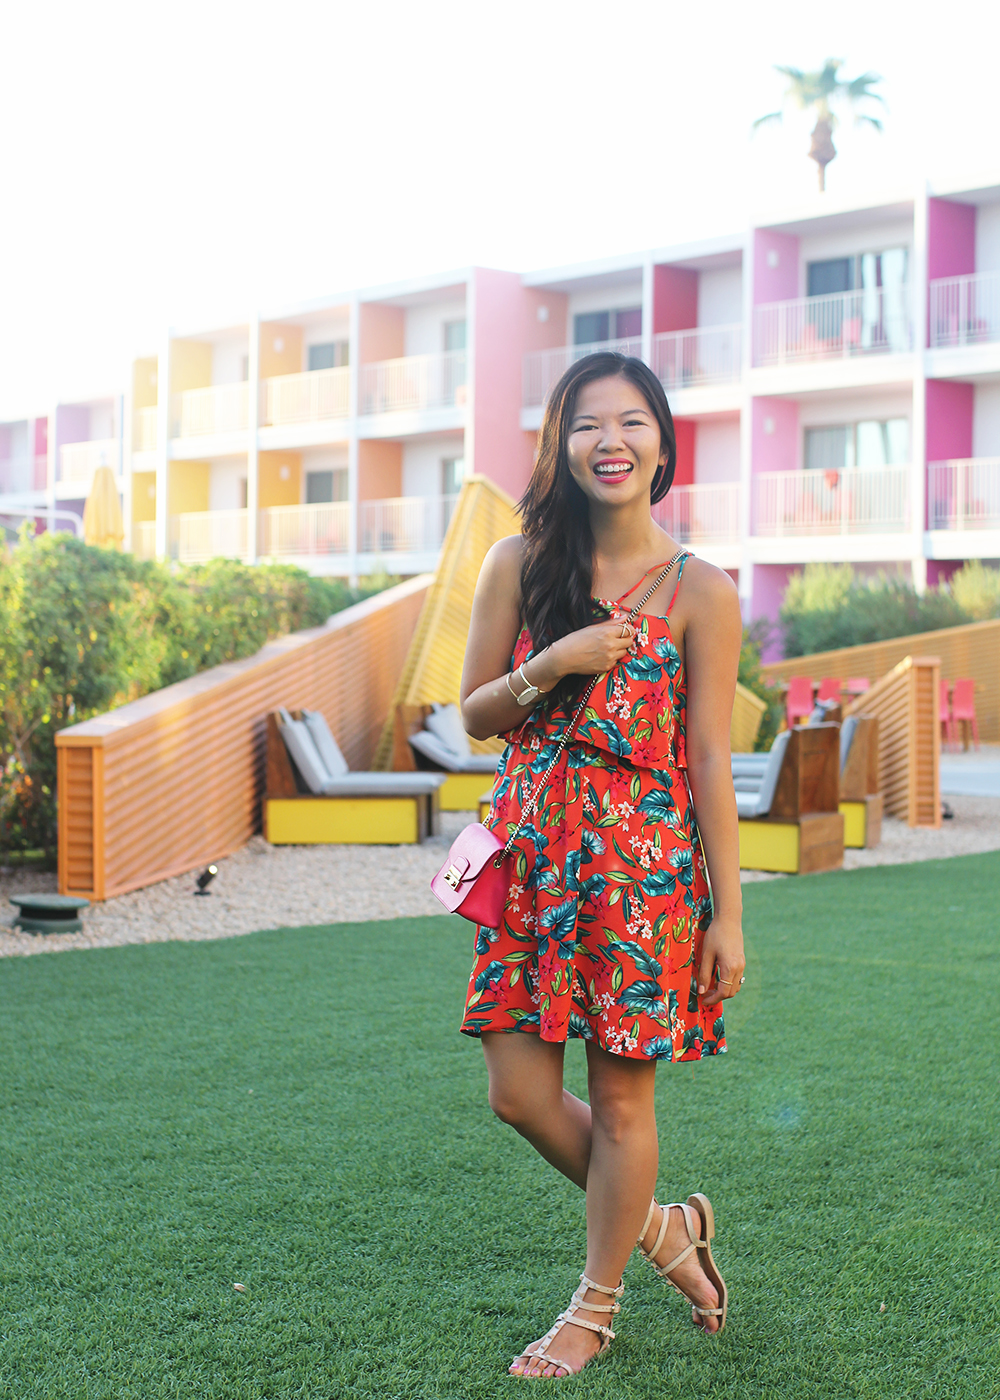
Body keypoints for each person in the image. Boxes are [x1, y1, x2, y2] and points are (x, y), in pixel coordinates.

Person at [459, 352, 745, 1379]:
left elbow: (708, 756)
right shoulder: (517, 562)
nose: (609, 440)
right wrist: (551, 662)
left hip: (644, 869)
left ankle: (593, 1305)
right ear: (559, 442)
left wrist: (728, 913)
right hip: (536, 862)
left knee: (623, 1099)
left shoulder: (702, 589)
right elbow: (472, 715)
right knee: (518, 1092)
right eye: (587, 423)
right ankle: (667, 1230)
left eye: (631, 421)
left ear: (663, 443)